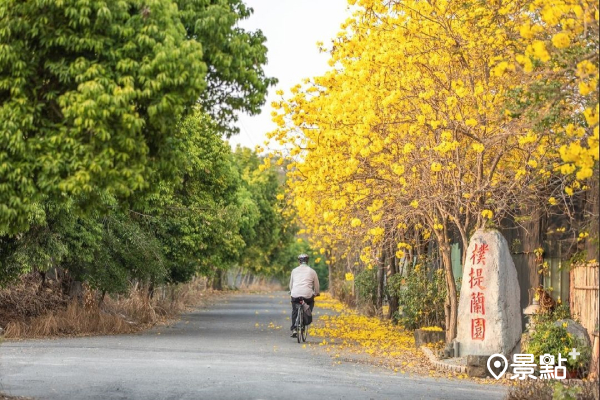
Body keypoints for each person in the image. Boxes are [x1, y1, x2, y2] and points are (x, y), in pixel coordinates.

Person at [289, 253, 320, 338]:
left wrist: (291, 291)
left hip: (295, 294)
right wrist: (316, 292)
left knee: (295, 309)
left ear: (299, 261)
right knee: (310, 303)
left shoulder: (294, 271)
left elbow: (291, 284)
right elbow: (316, 285)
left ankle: (294, 328)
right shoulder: (312, 271)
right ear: (307, 261)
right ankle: (305, 318)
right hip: (307, 295)